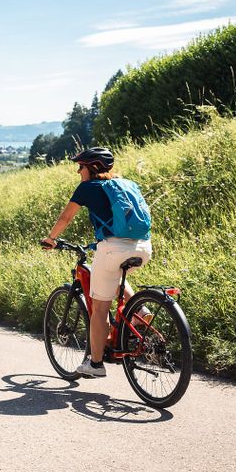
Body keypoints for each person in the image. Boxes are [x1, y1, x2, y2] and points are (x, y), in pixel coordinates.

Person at [41, 147, 152, 378]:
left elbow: (66, 217)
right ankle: (141, 309)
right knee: (118, 275)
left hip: (113, 248)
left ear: (91, 167)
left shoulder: (88, 187)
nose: (78, 171)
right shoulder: (126, 184)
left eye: (80, 167)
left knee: (100, 308)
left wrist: (51, 239)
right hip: (143, 246)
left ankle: (96, 364)